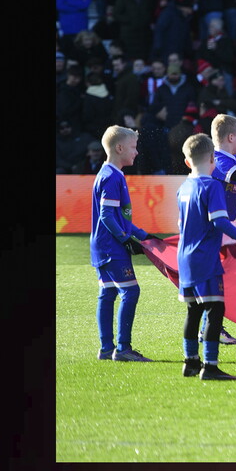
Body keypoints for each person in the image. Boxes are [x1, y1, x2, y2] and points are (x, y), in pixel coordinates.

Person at [176, 134, 236, 381]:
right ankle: (211, 366)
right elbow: (220, 222)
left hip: (185, 258)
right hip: (205, 257)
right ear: (212, 159)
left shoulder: (183, 188)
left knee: (193, 311)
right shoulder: (212, 186)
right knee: (216, 309)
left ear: (187, 162)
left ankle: (190, 362)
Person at [90, 126, 155, 362]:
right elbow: (107, 216)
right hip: (111, 246)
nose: (136, 152)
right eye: (133, 147)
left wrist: (144, 235)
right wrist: (126, 240)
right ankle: (124, 349)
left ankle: (107, 348)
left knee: (107, 293)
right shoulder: (112, 176)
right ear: (119, 148)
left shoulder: (108, 173)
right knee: (130, 291)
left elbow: (119, 217)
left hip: (101, 245)